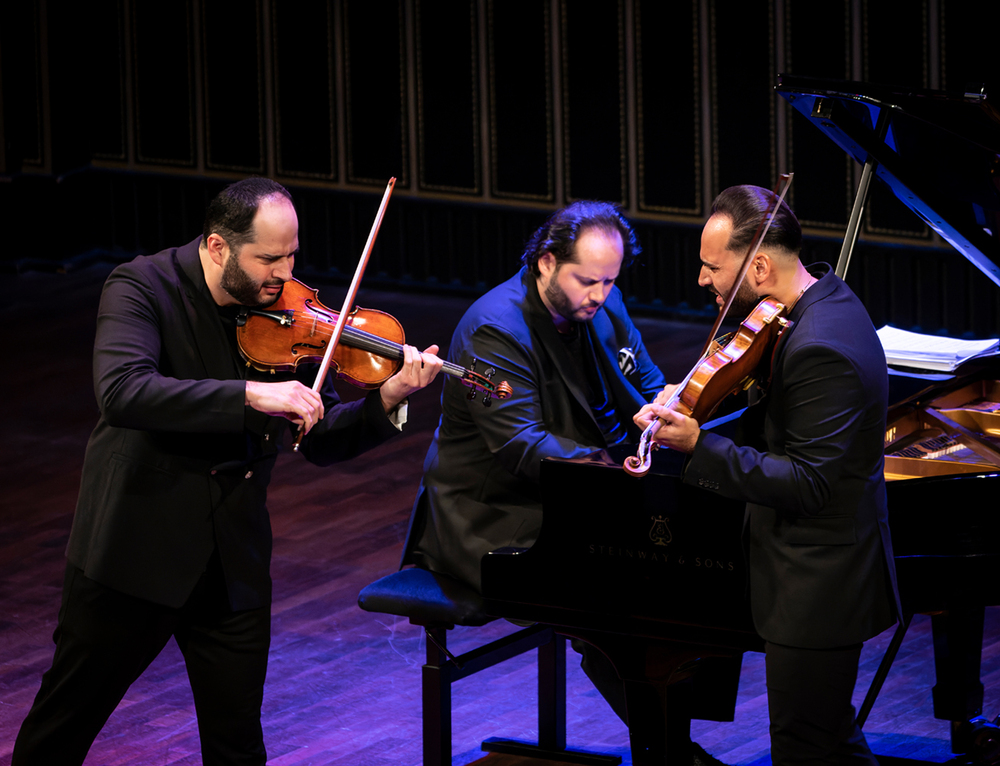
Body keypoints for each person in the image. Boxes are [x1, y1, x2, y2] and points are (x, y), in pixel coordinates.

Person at [12, 177, 443, 766]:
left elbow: (314, 440)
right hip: (135, 553)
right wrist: (250, 395)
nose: (285, 274)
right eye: (268, 259)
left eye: (292, 255)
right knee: (61, 730)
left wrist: (387, 395)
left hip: (232, 561)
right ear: (218, 248)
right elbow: (123, 392)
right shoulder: (142, 287)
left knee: (237, 746)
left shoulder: (283, 314)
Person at [401, 200, 731, 764]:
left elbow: (643, 375)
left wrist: (665, 408)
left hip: (575, 494)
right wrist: (613, 476)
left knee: (693, 559)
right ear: (547, 262)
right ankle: (672, 752)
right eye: (587, 280)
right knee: (622, 591)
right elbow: (521, 447)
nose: (600, 294)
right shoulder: (494, 332)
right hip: (494, 514)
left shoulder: (603, 301)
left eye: (610, 279)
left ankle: (678, 730)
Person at [638, 185, 900, 765]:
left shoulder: (819, 345)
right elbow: (779, 417)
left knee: (805, 744)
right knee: (828, 735)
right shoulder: (820, 300)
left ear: (758, 264)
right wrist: (696, 409)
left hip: (818, 583)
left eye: (713, 267)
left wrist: (697, 445)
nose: (703, 280)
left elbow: (809, 484)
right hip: (816, 573)